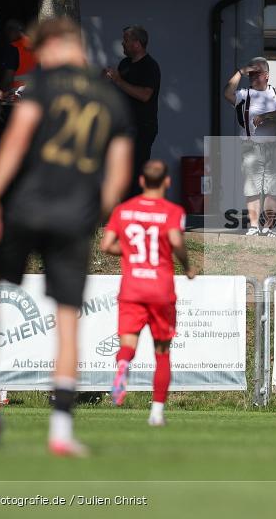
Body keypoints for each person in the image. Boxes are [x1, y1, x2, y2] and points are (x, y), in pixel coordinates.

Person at [0, 17, 133, 456]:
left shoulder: (47, 83)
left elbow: (17, 138)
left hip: (31, 204)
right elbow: (119, 170)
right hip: (76, 216)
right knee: (68, 320)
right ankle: (62, 431)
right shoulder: (111, 96)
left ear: (54, 49)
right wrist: (98, 212)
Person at [100, 159, 195, 426]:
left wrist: (130, 252)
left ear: (141, 182)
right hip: (160, 289)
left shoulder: (123, 210)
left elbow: (106, 245)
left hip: (132, 288)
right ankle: (156, 413)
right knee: (162, 352)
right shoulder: (172, 211)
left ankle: (123, 366)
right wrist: (187, 266)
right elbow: (176, 240)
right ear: (167, 182)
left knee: (127, 345)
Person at [224, 57, 276, 236]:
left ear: (267, 76)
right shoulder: (244, 94)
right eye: (251, 74)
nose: (253, 77)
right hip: (251, 146)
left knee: (273, 188)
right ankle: (254, 225)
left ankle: (269, 227)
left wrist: (267, 115)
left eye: (257, 73)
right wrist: (240, 72)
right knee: (252, 188)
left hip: (273, 146)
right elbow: (227, 93)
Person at [103, 25, 160, 195]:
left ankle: (136, 210)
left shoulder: (150, 66)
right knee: (120, 169)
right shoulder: (125, 63)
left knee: (135, 171)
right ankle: (122, 209)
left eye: (126, 40)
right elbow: (120, 88)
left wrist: (119, 81)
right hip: (123, 127)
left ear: (137, 43)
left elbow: (145, 95)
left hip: (141, 127)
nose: (122, 44)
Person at [0, 19, 36, 92]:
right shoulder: (35, 45)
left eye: (8, 32)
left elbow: (8, 78)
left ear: (13, 31)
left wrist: (1, 92)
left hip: (17, 94)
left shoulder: (13, 48)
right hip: (34, 93)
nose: (7, 36)